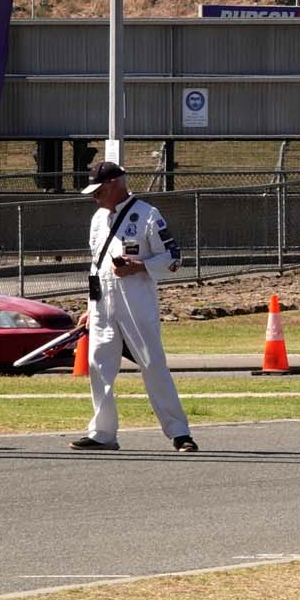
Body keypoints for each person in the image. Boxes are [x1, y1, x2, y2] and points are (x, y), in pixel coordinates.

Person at [69, 160, 198, 453]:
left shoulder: (148, 215)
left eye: (99, 190)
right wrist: (90, 306)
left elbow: (173, 259)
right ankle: (102, 433)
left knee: (152, 363)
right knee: (98, 364)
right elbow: (95, 266)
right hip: (103, 302)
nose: (95, 196)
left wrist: (139, 267)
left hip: (136, 299)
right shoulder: (97, 219)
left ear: (114, 183)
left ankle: (179, 432)